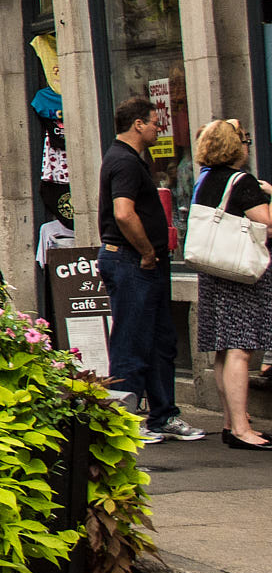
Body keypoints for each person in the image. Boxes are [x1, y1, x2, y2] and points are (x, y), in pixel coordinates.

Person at [102, 97, 206, 442]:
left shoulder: (132, 160)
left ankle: (163, 415)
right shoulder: (124, 162)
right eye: (154, 122)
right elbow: (123, 212)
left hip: (147, 262)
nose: (158, 128)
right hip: (132, 260)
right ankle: (124, 422)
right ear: (138, 125)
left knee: (161, 339)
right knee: (132, 341)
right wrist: (146, 251)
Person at [189, 120, 272, 450]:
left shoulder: (205, 179)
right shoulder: (242, 181)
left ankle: (229, 422)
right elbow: (267, 225)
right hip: (240, 273)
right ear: (234, 146)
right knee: (240, 349)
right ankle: (241, 428)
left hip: (215, 270)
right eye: (243, 139)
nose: (247, 144)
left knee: (225, 349)